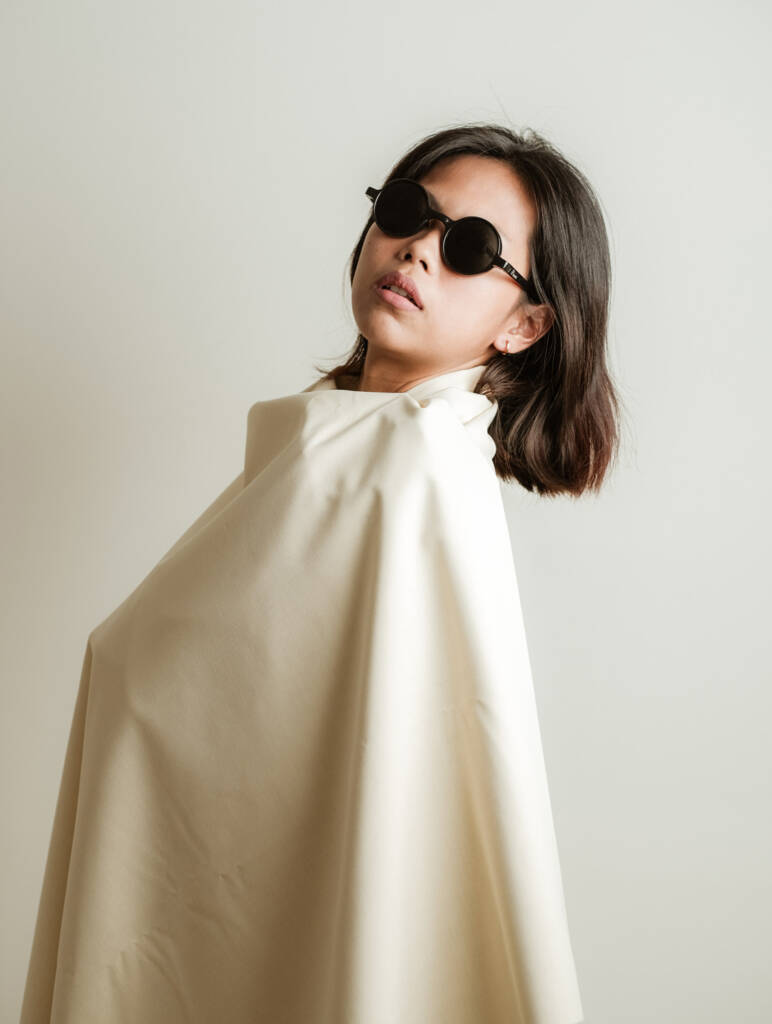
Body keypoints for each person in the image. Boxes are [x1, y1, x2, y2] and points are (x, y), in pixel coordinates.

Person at [19, 122, 620, 1024]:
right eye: (407, 212)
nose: (417, 250)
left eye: (470, 248)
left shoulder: (415, 475)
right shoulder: (334, 448)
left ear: (524, 324)